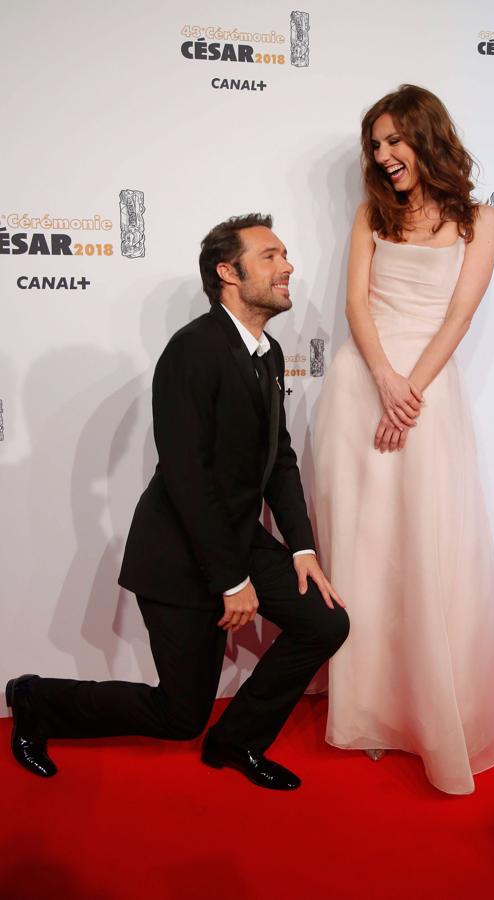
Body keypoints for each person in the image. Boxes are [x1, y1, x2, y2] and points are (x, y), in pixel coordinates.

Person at [7, 213, 349, 791]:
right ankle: (35, 699)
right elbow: (188, 477)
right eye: (270, 256)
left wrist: (301, 546)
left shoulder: (264, 352)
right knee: (179, 716)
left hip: (234, 541)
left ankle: (237, 741)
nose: (288, 266)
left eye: (285, 254)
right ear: (228, 272)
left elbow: (280, 458)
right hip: (180, 554)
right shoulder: (193, 350)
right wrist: (232, 580)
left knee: (324, 622)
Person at [313, 85, 494, 795]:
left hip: (425, 396)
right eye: (375, 145)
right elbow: (354, 303)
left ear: (425, 137)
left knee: (424, 544)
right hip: (360, 384)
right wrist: (382, 377)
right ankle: (365, 702)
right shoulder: (372, 213)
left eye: (393, 140)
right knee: (362, 542)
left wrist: (411, 389)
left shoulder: (479, 219)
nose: (383, 156)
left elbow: (458, 314)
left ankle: (424, 703)